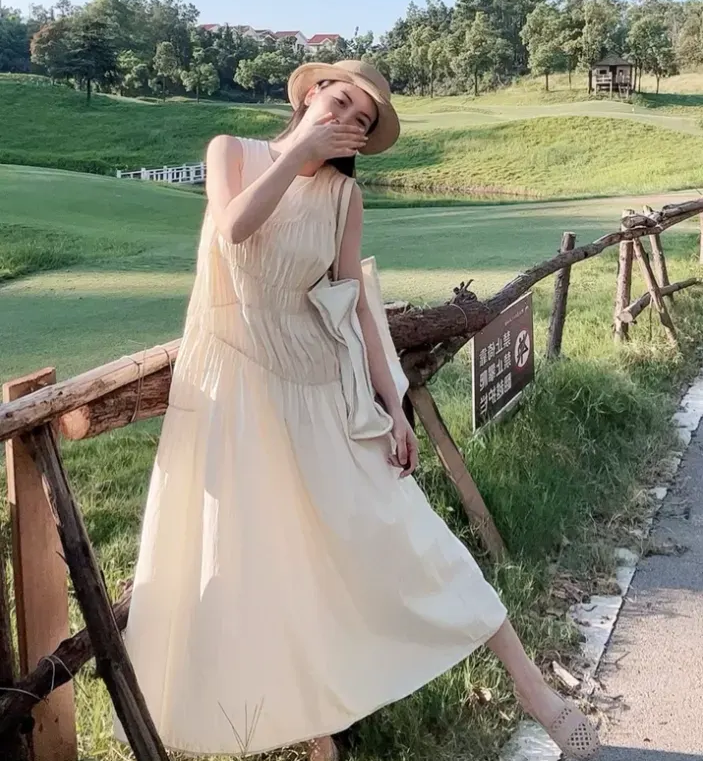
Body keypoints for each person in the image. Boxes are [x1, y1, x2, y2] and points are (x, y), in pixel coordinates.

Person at [116, 60, 600, 761]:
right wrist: (301, 151)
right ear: (311, 94)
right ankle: (319, 735)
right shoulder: (231, 151)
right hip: (240, 388)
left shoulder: (344, 195)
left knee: (411, 534)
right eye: (341, 102)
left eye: (362, 121)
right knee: (268, 558)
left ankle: (537, 694)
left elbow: (356, 310)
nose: (348, 120)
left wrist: (393, 405)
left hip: (321, 391)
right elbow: (233, 228)